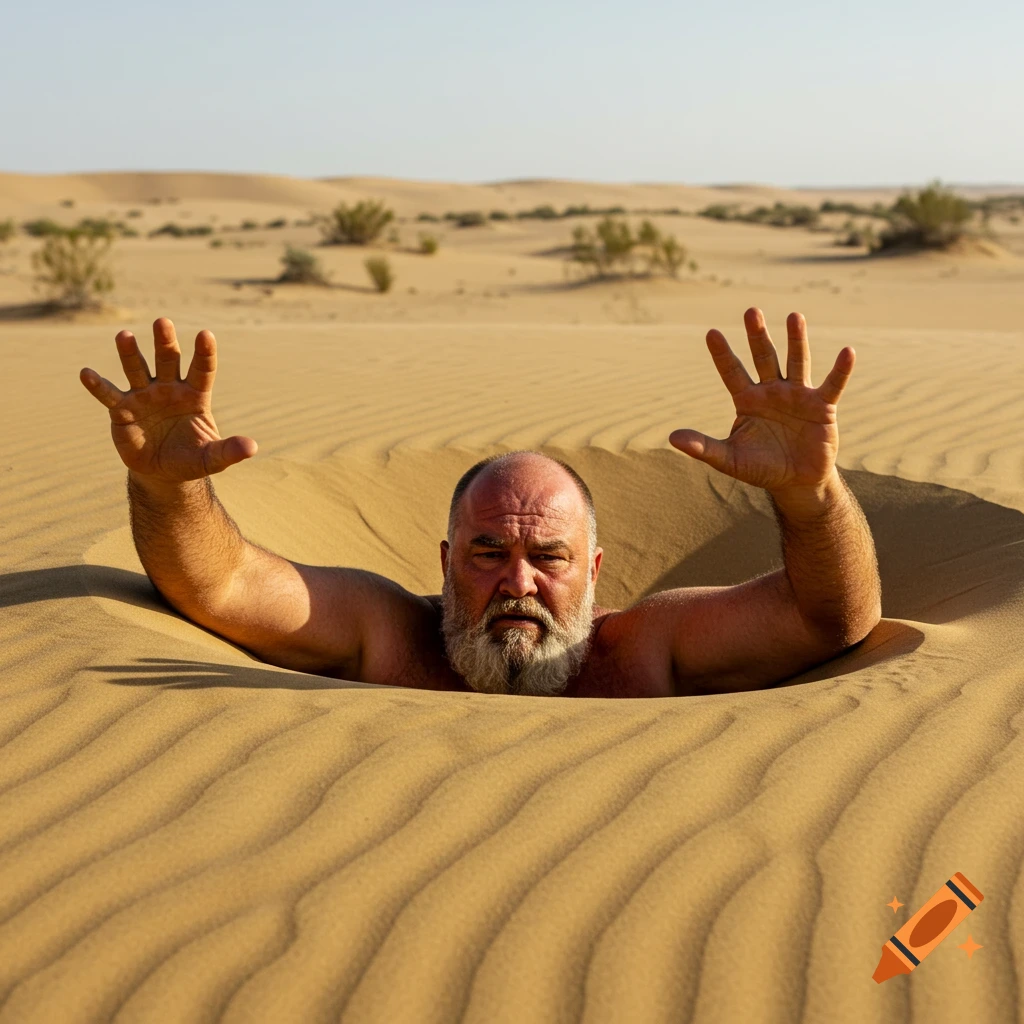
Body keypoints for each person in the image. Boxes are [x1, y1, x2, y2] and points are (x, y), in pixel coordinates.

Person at [80, 308, 881, 698]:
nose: (517, 583)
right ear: (445, 561)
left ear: (595, 570)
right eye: (488, 553)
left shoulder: (643, 650)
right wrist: (168, 488)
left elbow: (829, 620)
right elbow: (221, 585)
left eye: (550, 558)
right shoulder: (387, 634)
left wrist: (812, 497)